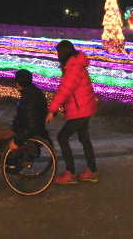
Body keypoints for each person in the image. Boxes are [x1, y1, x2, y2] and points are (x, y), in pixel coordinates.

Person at [0, 69, 49, 180]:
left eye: (16, 82)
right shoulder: (33, 92)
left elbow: (30, 126)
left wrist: (17, 140)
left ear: (19, 83)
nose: (15, 84)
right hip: (27, 129)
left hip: (25, 133)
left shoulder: (29, 99)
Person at [46, 40, 99, 184]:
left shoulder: (73, 67)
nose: (57, 56)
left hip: (80, 109)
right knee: (84, 139)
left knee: (62, 137)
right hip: (85, 107)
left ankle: (70, 173)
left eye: (58, 53)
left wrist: (52, 110)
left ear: (63, 53)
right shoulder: (75, 63)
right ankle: (92, 171)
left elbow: (65, 90)